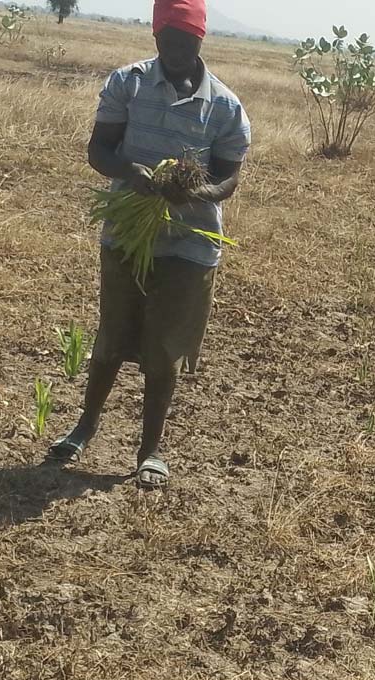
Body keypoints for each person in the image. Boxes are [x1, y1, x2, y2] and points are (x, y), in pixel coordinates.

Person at [48, 0, 250, 488]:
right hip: (126, 233)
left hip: (189, 246)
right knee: (111, 338)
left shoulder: (224, 105)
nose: (177, 50)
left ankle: (150, 449)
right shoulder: (128, 84)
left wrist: (192, 193)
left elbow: (227, 179)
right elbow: (100, 149)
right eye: (168, 40)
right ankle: (84, 428)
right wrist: (129, 172)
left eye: (187, 41)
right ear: (155, 36)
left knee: (164, 349)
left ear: (202, 40)